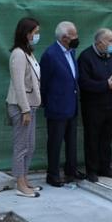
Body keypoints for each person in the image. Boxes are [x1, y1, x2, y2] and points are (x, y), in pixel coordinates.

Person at [39, 21, 82, 187]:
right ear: (65, 38)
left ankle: (71, 170)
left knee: (71, 141)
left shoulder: (71, 52)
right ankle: (53, 174)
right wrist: (47, 102)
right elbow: (44, 82)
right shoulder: (50, 54)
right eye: (74, 36)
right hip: (57, 106)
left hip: (71, 104)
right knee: (55, 142)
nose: (77, 38)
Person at [78, 28, 112, 182]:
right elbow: (84, 83)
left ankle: (105, 167)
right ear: (99, 42)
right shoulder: (86, 57)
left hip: (110, 104)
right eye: (110, 41)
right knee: (92, 139)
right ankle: (92, 170)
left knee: (107, 139)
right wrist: (105, 85)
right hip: (92, 106)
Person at [6, 17, 43, 197]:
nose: (37, 35)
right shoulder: (18, 54)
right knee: (21, 146)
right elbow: (18, 84)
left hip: (32, 106)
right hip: (22, 107)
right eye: (35, 32)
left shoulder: (29, 52)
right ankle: (20, 184)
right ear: (27, 33)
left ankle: (25, 179)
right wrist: (25, 109)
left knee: (30, 145)